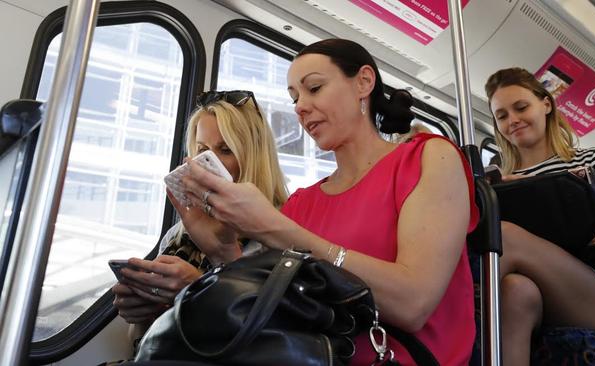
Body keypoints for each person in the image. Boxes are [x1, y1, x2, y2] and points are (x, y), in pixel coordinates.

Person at [179, 39, 479, 365]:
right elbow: (266, 312)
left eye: (314, 88)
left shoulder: (428, 157)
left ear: (364, 82)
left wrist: (276, 229)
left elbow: (413, 303)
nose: (300, 107)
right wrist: (221, 251)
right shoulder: (301, 203)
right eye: (294, 98)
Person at [485, 67, 595, 365]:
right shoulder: (500, 184)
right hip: (535, 297)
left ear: (546, 104)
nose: (513, 120)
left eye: (521, 107)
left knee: (504, 235)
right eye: (502, 116)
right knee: (515, 291)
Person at [111, 90, 288, 336]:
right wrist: (143, 310)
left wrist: (195, 287)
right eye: (202, 150)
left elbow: (269, 334)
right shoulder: (178, 235)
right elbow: (143, 341)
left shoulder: (280, 234)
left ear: (253, 158)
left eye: (225, 150)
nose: (209, 163)